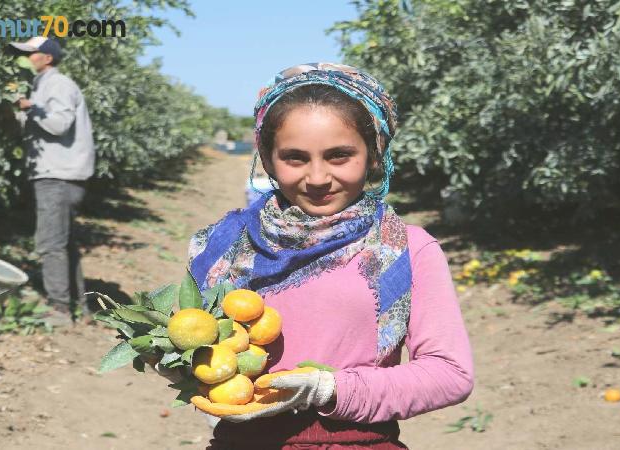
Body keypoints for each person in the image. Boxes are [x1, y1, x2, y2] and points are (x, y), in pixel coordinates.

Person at [158, 63, 474, 448]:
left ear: (375, 155)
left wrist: (329, 389)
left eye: (340, 155)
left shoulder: (405, 249)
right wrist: (179, 362)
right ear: (267, 159)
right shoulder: (222, 247)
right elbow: (197, 350)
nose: (318, 178)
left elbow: (450, 373)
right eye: (295, 157)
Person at [9, 37, 96, 326]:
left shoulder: (58, 84)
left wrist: (29, 107)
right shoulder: (42, 85)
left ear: (47, 57)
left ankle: (59, 310)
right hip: (58, 173)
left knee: (50, 242)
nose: (26, 58)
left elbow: (58, 124)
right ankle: (81, 308)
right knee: (64, 242)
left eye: (30, 53)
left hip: (58, 175)